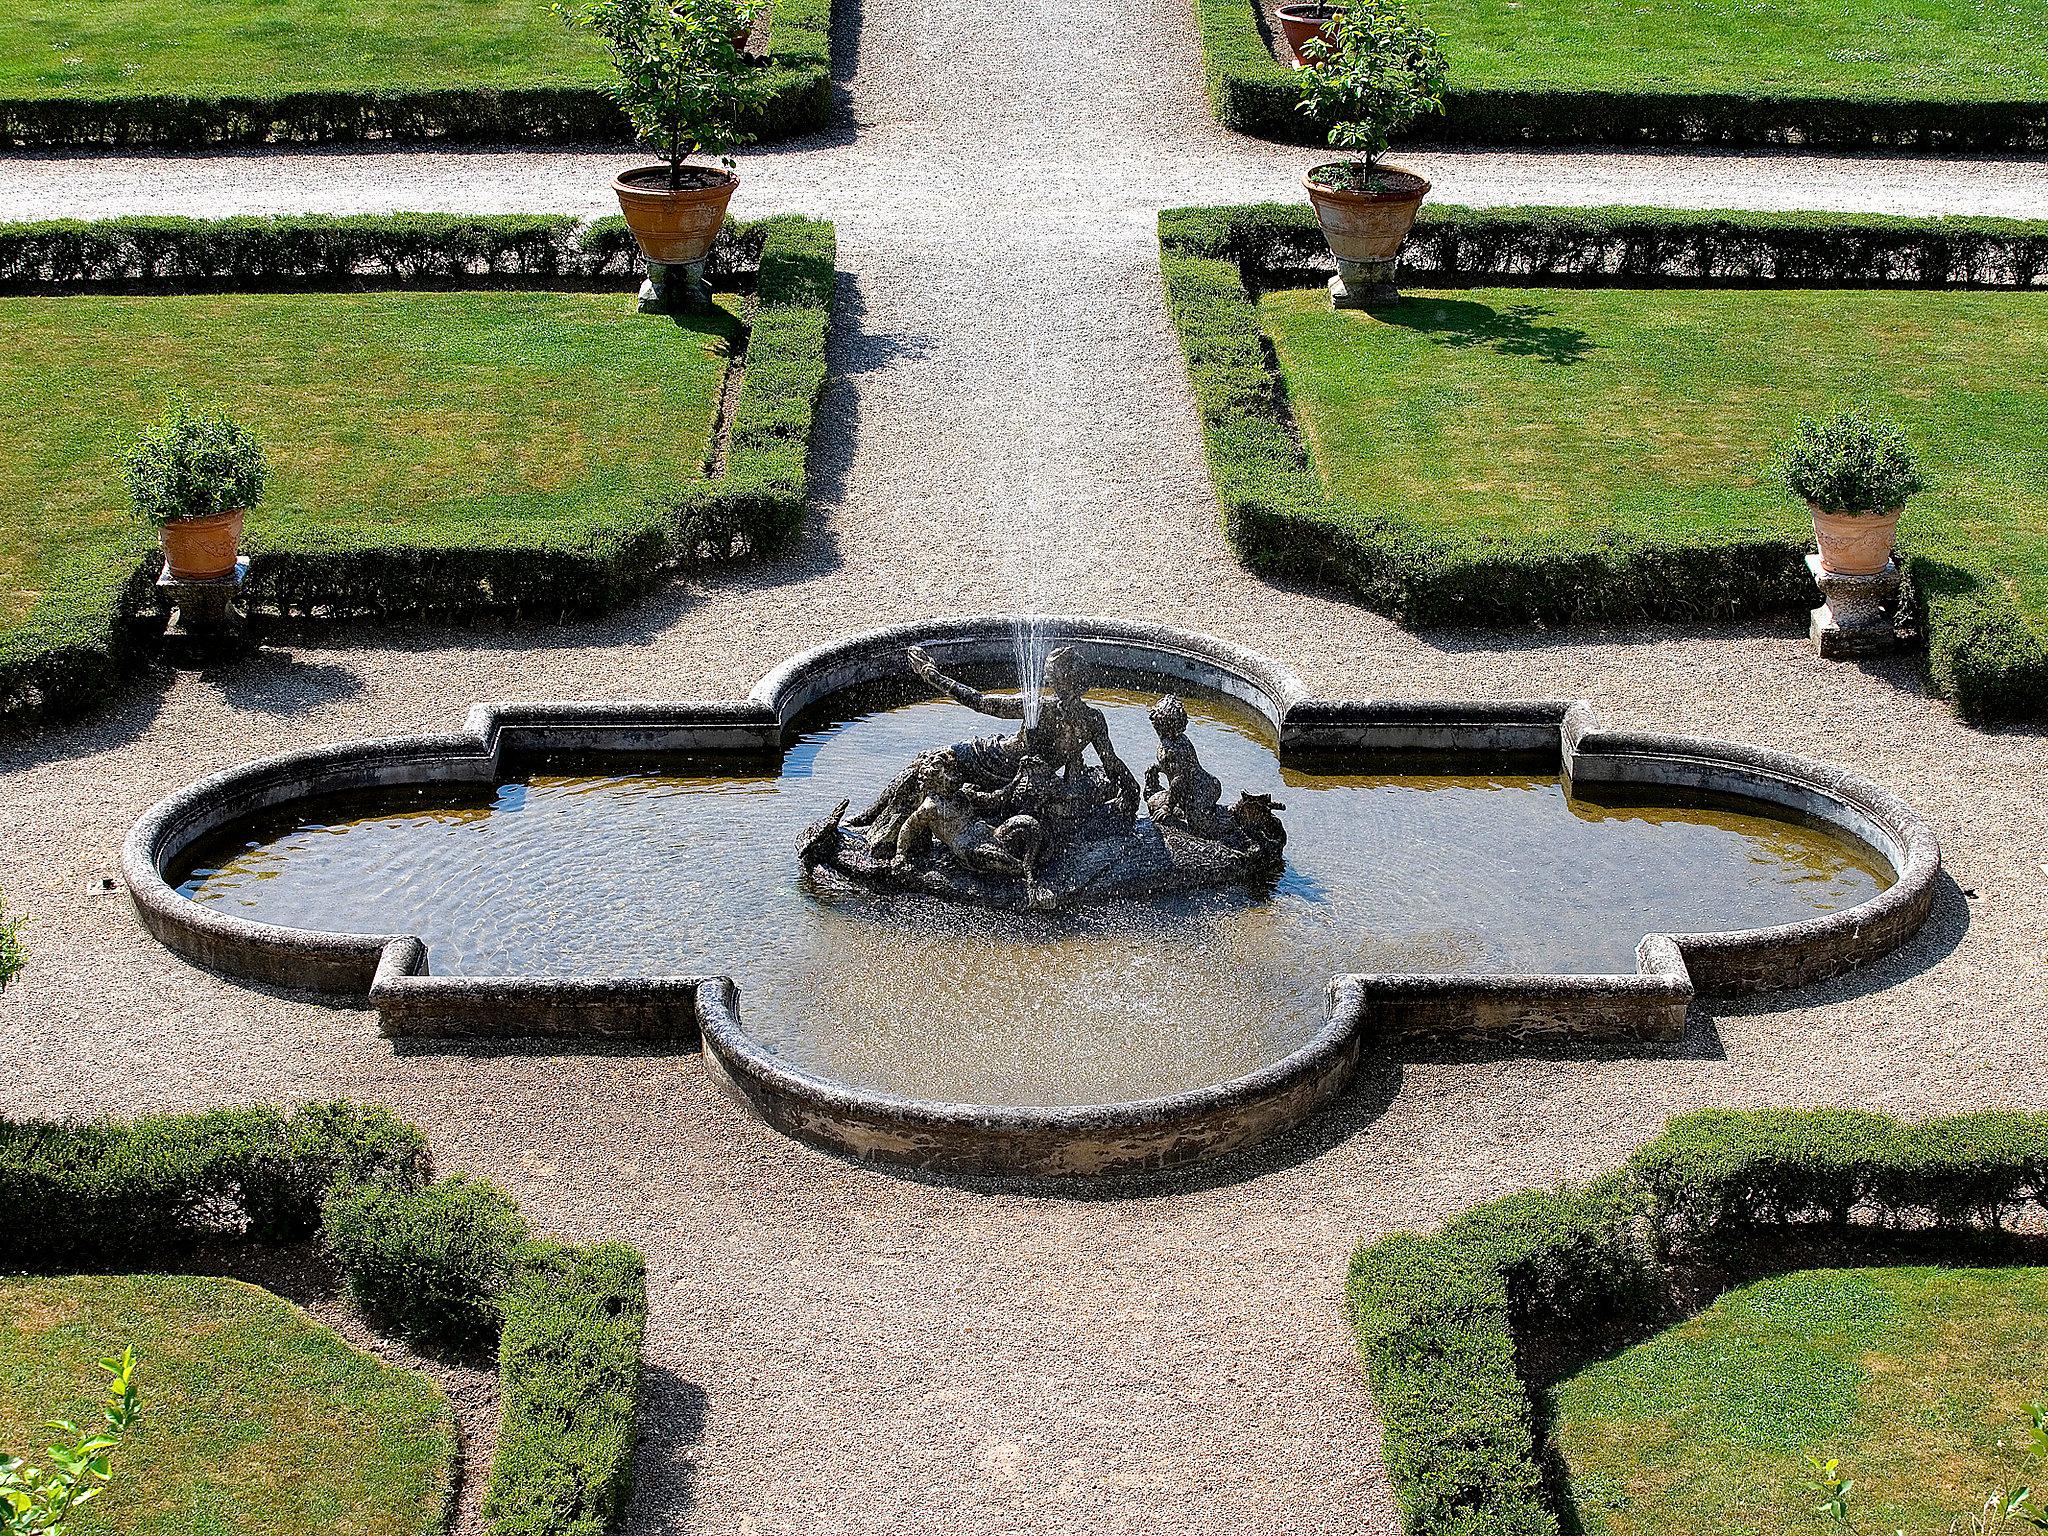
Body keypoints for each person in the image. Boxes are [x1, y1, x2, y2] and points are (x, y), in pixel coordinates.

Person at [1143, 695, 1224, 835]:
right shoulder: (1172, 741)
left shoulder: (1173, 748)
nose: (1155, 725)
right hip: (1188, 791)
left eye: (1157, 723)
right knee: (1154, 802)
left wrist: (1168, 807)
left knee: (1199, 825)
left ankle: (1226, 826)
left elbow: (1178, 779)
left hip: (1203, 789)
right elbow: (1175, 770)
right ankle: (1182, 808)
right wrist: (1157, 768)